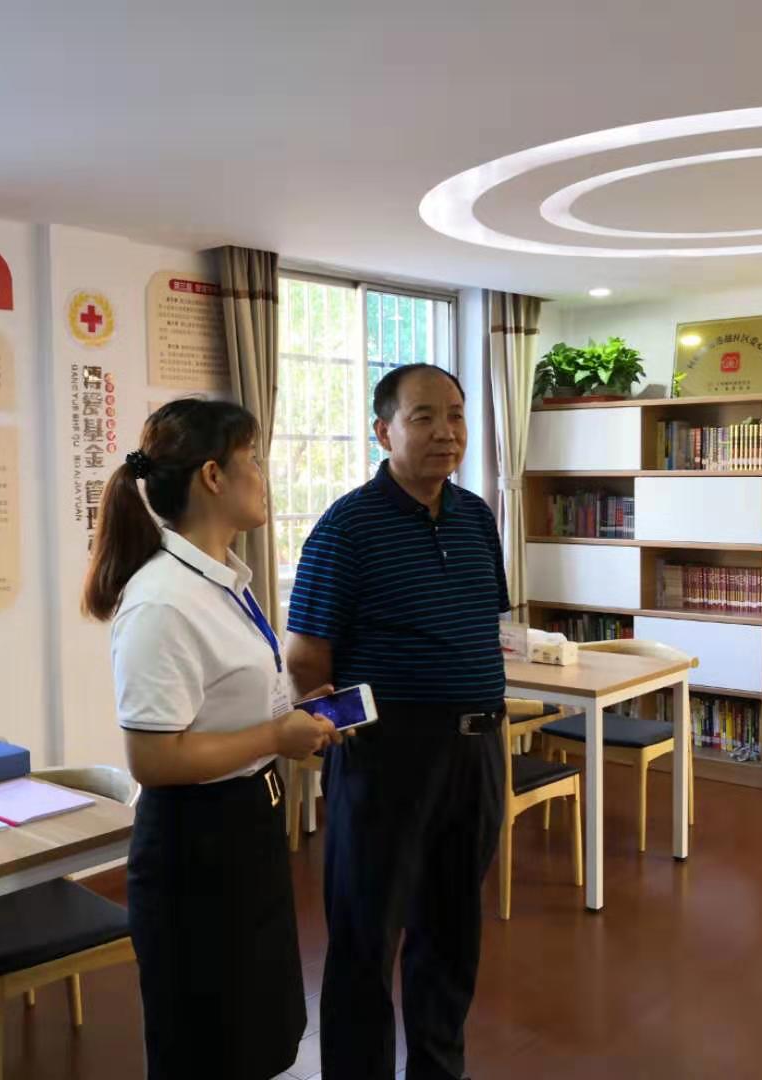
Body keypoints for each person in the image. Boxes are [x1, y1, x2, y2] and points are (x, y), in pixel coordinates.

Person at [84, 398, 339, 1080]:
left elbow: (225, 705)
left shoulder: (222, 580)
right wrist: (275, 733)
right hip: (195, 848)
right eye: (253, 459)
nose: (264, 475)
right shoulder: (162, 600)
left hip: (247, 826)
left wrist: (294, 715)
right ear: (213, 476)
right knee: (209, 1044)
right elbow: (153, 758)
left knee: (257, 1034)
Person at [286, 363, 510, 1080]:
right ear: (383, 432)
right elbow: (305, 657)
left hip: (476, 749)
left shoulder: (477, 517)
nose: (446, 432)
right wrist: (346, 739)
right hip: (387, 755)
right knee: (366, 935)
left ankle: (440, 1069)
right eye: (423, 417)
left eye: (456, 415)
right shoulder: (347, 526)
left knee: (451, 931)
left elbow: (481, 623)